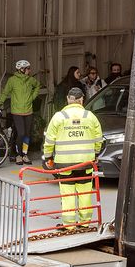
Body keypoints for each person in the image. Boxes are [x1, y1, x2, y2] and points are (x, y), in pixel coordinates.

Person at [42, 87, 103, 228]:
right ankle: (85, 223)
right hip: (86, 163)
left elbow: (49, 140)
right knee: (85, 193)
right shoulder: (90, 116)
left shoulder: (59, 116)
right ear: (82, 100)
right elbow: (98, 139)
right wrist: (95, 154)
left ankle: (69, 225)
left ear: (68, 99)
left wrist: (48, 157)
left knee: (68, 194)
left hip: (64, 164)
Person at [0, 59, 40, 164]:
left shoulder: (30, 80)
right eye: (28, 69)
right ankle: (18, 155)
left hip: (28, 111)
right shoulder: (12, 80)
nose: (29, 70)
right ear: (21, 69)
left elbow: (37, 85)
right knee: (21, 134)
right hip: (17, 112)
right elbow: (5, 92)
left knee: (27, 135)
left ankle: (24, 154)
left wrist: (32, 97)